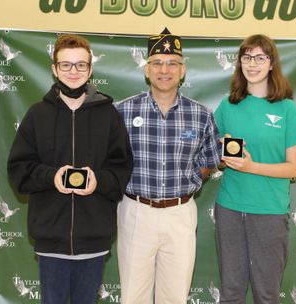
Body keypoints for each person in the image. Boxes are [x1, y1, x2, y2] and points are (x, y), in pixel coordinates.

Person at [7, 34, 133, 304]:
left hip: (94, 240)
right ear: (54, 68)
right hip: (51, 241)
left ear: (90, 68)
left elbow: (122, 170)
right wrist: (51, 176)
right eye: (66, 65)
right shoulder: (37, 115)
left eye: (80, 65)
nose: (73, 72)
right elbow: (19, 171)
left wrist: (97, 181)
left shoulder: (109, 115)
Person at [115, 27, 221, 303]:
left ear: (182, 71)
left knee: (174, 296)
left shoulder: (200, 115)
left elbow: (209, 160)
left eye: (172, 63)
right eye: (157, 63)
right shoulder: (122, 111)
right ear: (147, 70)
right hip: (136, 211)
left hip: (180, 213)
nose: (165, 70)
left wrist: (188, 180)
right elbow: (110, 160)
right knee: (133, 295)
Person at [213, 34, 296, 303]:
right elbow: (214, 157)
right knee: (231, 292)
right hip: (229, 209)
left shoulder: (287, 109)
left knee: (266, 294)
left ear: (271, 63)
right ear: (240, 63)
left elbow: (293, 169)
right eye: (246, 57)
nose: (252, 64)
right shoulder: (227, 105)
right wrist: (222, 156)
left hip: (269, 211)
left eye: (260, 57)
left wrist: (251, 166)